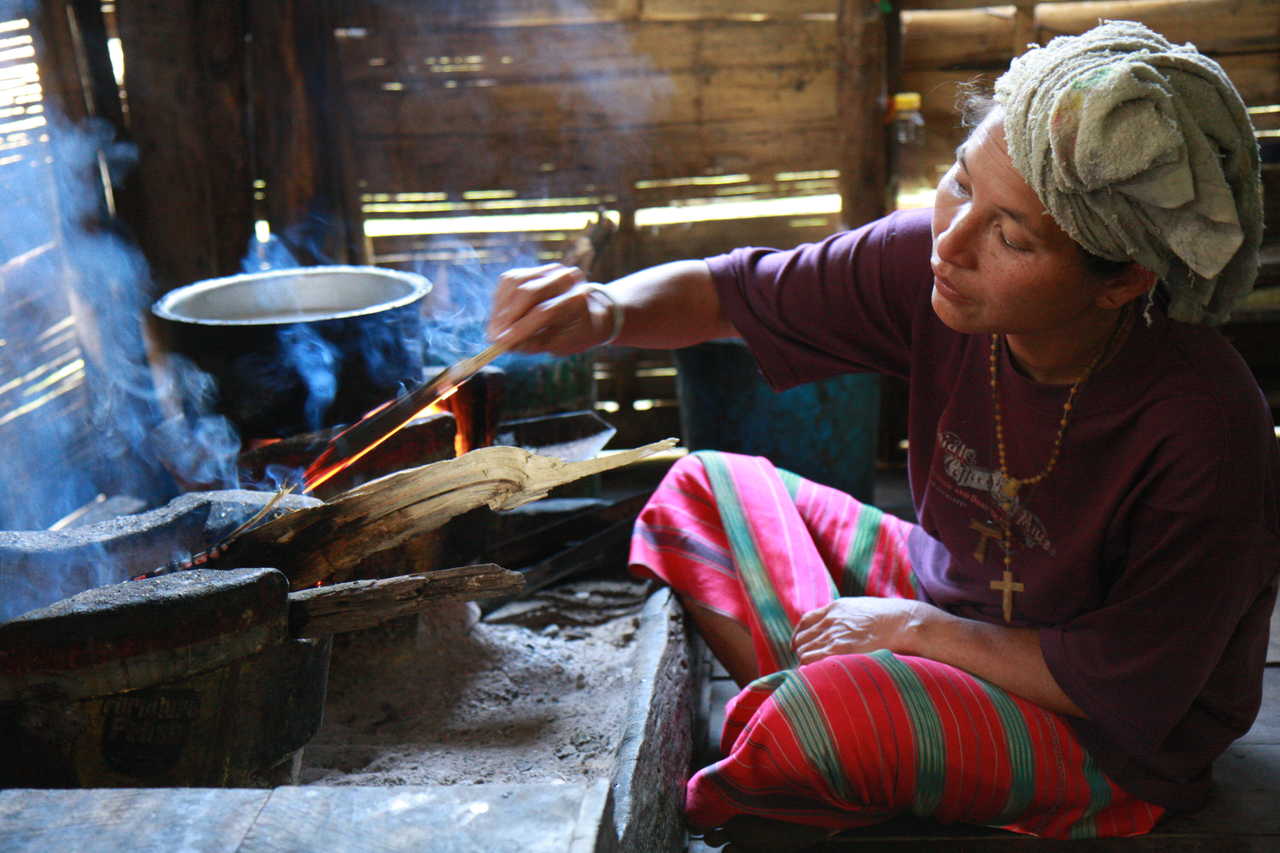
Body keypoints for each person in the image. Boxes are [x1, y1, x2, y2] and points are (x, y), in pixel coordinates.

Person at [485, 20, 1278, 844]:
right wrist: (603, 310)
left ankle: (858, 725)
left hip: (1106, 733)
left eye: (1010, 235)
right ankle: (866, 719)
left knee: (810, 728)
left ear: (1123, 281)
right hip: (947, 598)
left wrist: (907, 630)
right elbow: (730, 294)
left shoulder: (1207, 429)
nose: (953, 240)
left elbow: (1129, 680)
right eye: (961, 184)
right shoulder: (932, 262)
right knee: (698, 490)